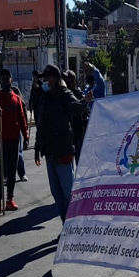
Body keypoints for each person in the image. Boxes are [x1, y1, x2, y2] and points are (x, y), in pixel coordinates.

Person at [34, 64, 88, 223]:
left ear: (55, 79)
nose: (45, 81)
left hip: (63, 151)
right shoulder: (44, 98)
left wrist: (86, 100)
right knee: (56, 192)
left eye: (47, 78)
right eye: (44, 78)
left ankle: (75, 224)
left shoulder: (65, 94)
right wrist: (37, 147)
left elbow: (78, 108)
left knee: (68, 192)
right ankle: (66, 223)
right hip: (49, 152)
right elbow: (40, 125)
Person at [0, 69, 28, 214]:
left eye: (7, 79)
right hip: (2, 140)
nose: (5, 82)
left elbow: (22, 118)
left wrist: (25, 135)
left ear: (11, 81)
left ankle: (10, 199)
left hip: (14, 140)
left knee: (12, 171)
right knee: (1, 171)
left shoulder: (16, 99)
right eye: (3, 79)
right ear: (1, 81)